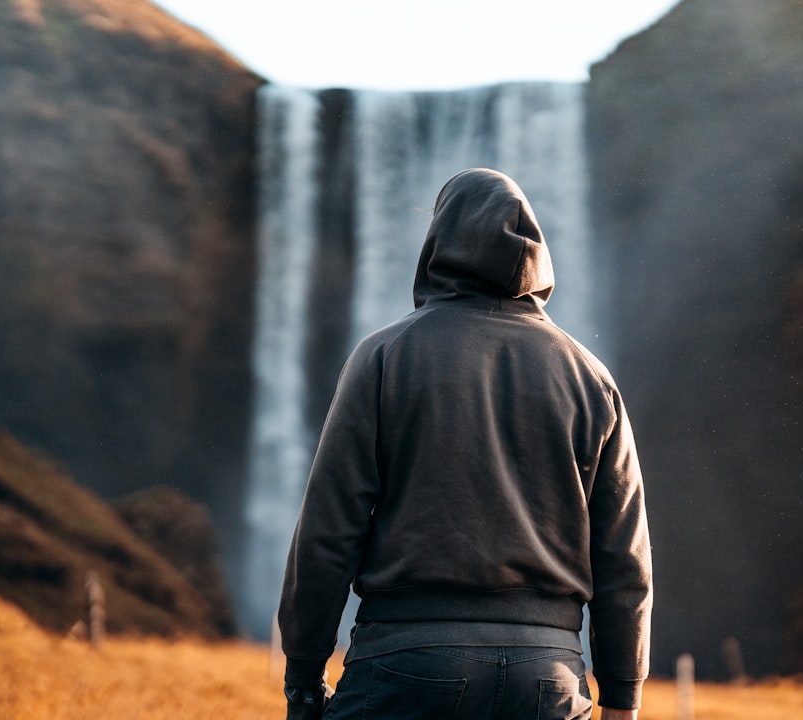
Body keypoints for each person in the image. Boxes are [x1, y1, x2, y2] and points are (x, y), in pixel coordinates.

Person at [278, 168, 652, 720]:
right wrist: (623, 697)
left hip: (407, 662)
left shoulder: (383, 357)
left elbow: (329, 531)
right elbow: (624, 556)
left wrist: (304, 677)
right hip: (547, 677)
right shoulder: (590, 376)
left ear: (438, 243)